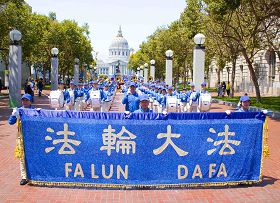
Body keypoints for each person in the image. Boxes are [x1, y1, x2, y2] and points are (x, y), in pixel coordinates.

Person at [8, 94, 33, 185]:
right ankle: (24, 177)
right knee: (22, 157)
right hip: (21, 138)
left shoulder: (34, 111)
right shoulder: (19, 110)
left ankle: (33, 175)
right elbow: (10, 122)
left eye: (26, 100)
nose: (24, 102)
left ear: (30, 101)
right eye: (23, 100)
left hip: (32, 138)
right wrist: (13, 115)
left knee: (32, 157)